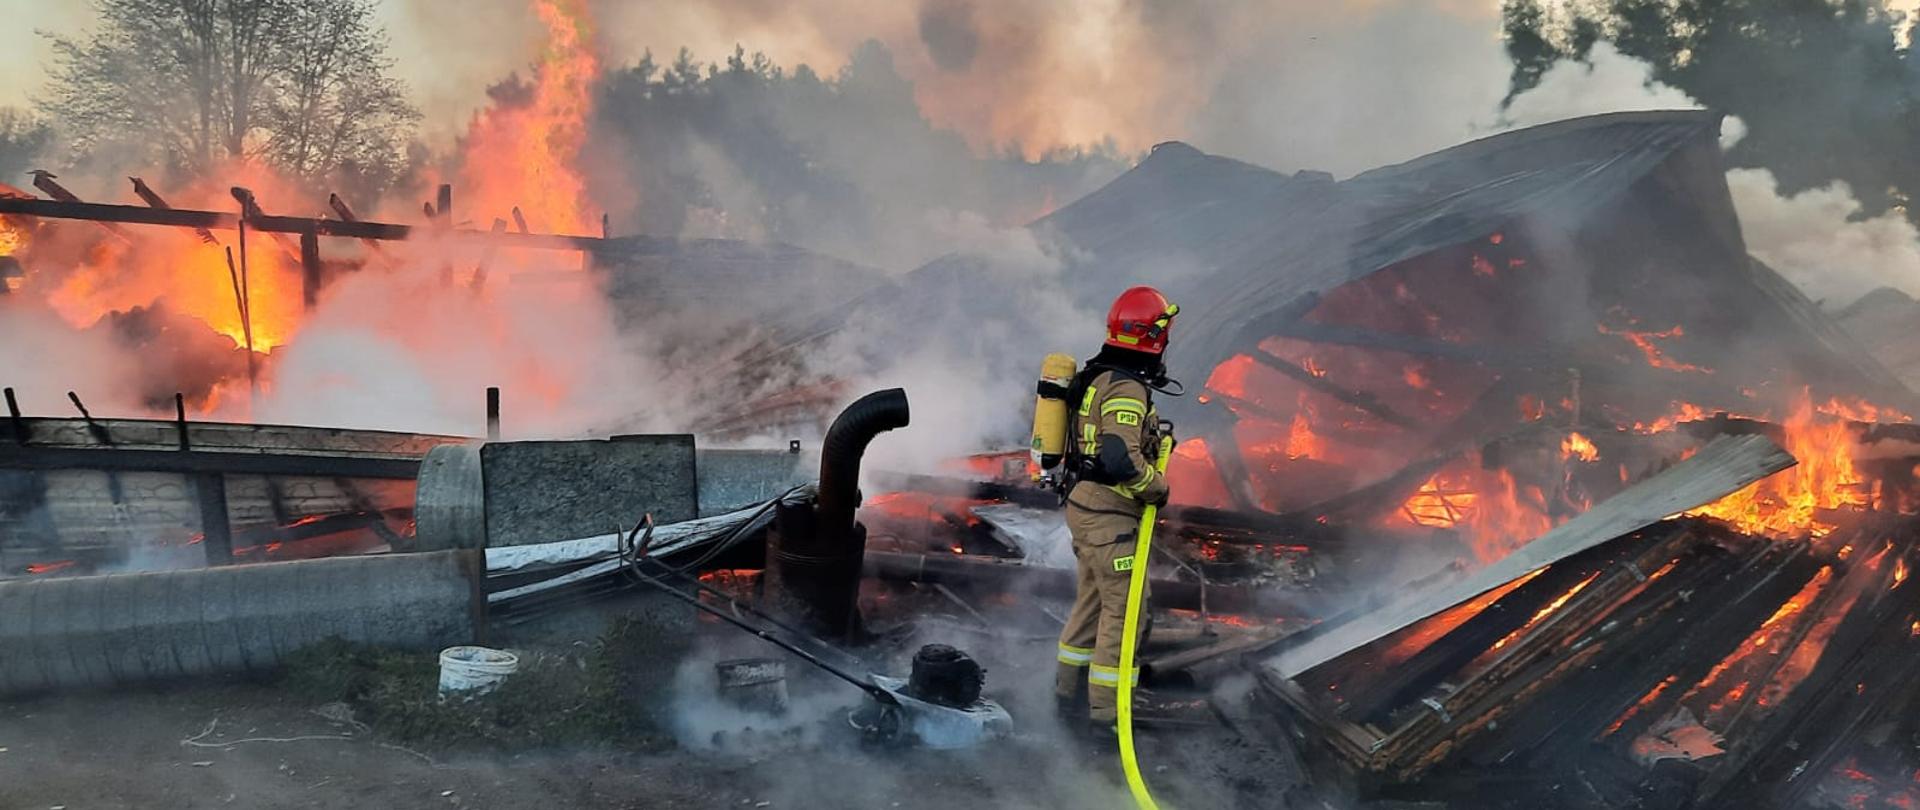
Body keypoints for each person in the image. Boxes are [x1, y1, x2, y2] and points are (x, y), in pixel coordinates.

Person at [1054, 285, 1180, 734]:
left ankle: (1067, 697)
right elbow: (1119, 457)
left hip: (1085, 507)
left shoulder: (1099, 377)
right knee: (1124, 615)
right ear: (1154, 336)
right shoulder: (1126, 387)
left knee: (1091, 604)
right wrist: (1156, 488)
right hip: (1109, 516)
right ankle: (1107, 719)